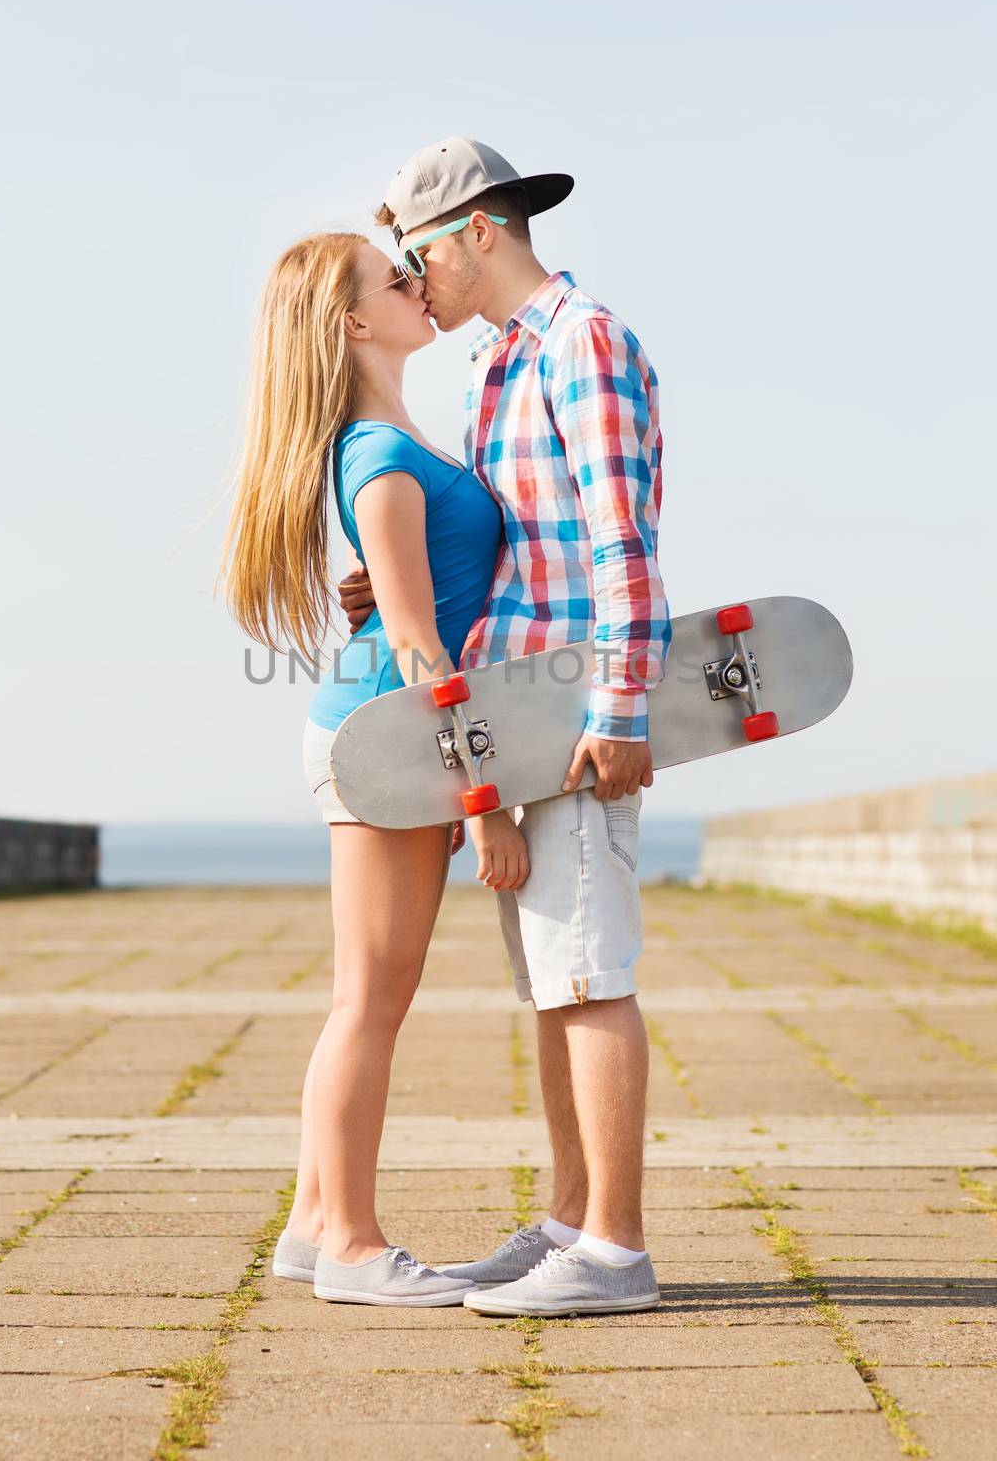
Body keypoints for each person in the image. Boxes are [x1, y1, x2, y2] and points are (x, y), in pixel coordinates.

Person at [339, 138, 672, 1316]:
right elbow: (518, 546)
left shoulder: (583, 341)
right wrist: (393, 585)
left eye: (421, 253)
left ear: (480, 229)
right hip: (515, 715)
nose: (414, 277)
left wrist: (624, 710)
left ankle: (617, 1249)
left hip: (582, 714)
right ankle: (571, 1220)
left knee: (587, 976)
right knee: (550, 986)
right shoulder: (492, 370)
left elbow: (620, 538)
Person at [218, 230, 528, 1306]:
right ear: (353, 322)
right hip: (387, 739)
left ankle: (313, 1225)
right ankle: (352, 1243)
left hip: (388, 735)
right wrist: (480, 797)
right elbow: (416, 644)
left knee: (367, 998)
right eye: (397, 279)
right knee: (369, 1005)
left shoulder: (393, 438)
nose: (418, 282)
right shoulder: (382, 455)